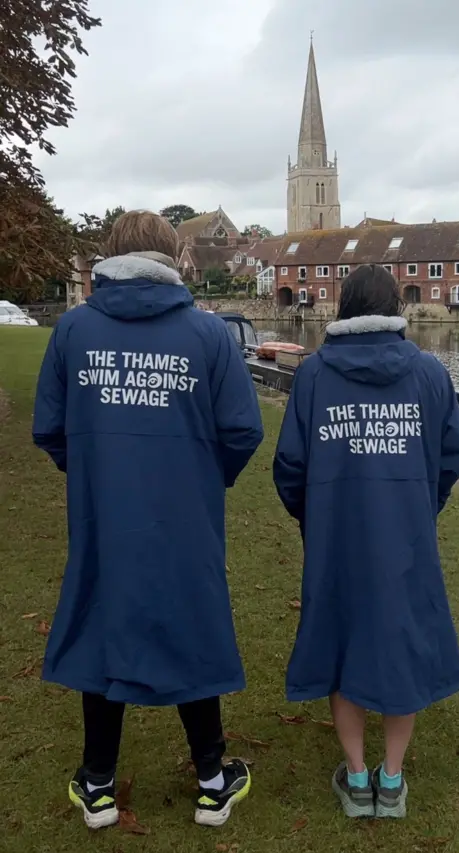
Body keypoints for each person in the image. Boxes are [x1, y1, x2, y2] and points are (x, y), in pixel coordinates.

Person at [33, 210, 263, 830]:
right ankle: (212, 780)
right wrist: (201, 477)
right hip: (185, 518)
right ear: (170, 257)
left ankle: (98, 784)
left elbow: (50, 428)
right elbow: (243, 429)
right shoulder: (208, 334)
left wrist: (94, 470)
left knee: (104, 621)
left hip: (103, 514)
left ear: (111, 254)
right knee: (190, 622)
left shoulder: (74, 330)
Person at [273, 264, 459, 820]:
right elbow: (455, 452)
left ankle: (358, 778)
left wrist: (317, 517)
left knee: (342, 642)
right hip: (406, 539)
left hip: (336, 539)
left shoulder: (314, 374)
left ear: (344, 308)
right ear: (395, 309)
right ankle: (392, 778)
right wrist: (421, 504)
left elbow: (290, 467)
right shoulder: (429, 373)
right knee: (402, 641)